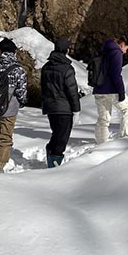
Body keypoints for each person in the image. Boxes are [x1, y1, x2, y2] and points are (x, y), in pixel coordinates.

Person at [0, 38, 27, 172]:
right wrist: (21, 103)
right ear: (14, 52)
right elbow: (21, 92)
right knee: (5, 137)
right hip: (9, 109)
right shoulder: (18, 70)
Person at [41, 37, 80, 168]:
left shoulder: (46, 67)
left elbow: (43, 87)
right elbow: (72, 91)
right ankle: (54, 164)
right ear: (66, 50)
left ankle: (52, 156)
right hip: (64, 108)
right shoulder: (67, 69)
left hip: (50, 107)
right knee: (61, 138)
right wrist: (76, 109)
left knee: (57, 134)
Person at [93, 36, 128, 144]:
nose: (125, 52)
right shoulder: (116, 52)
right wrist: (121, 92)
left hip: (98, 89)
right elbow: (116, 75)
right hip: (111, 89)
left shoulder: (104, 50)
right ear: (122, 44)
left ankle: (101, 142)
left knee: (103, 118)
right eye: (126, 48)